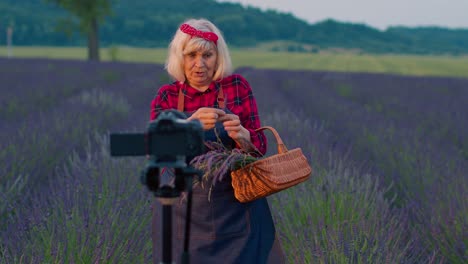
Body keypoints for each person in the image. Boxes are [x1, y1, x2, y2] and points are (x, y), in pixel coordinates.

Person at [149, 18, 285, 264]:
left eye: (207, 55)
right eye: (191, 55)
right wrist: (189, 126)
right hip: (185, 214)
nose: (199, 64)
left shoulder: (237, 87)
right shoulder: (167, 96)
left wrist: (245, 138)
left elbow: (259, 150)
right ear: (180, 57)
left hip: (237, 210)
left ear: (218, 56)